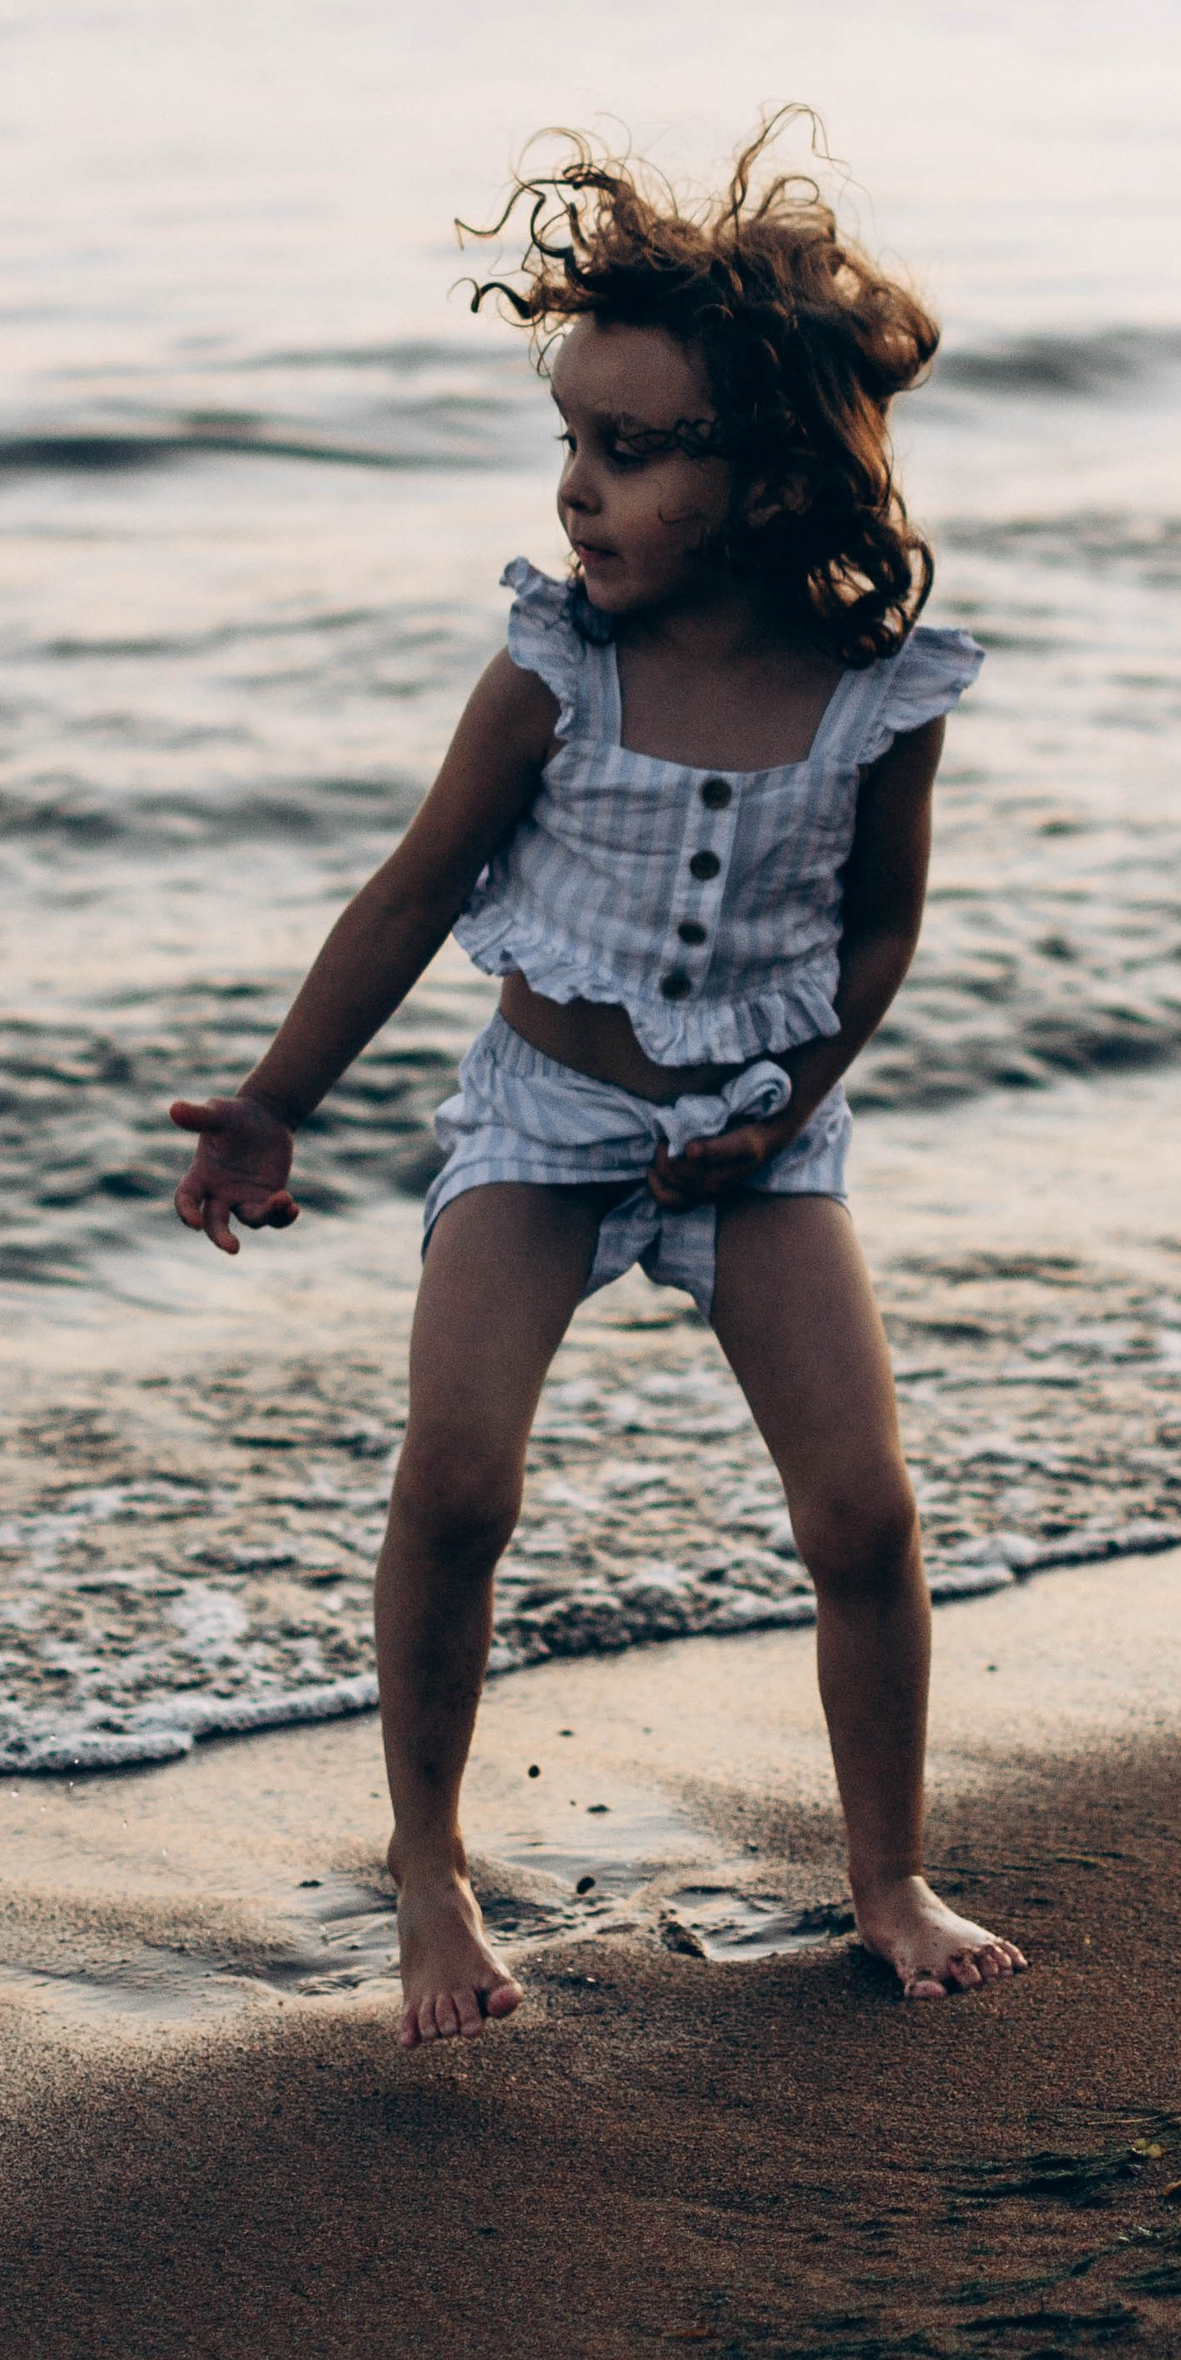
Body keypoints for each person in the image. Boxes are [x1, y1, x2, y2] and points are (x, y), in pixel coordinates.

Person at [167, 126, 1025, 2045]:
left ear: (772, 469)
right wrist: (276, 1099)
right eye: (571, 440)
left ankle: (886, 1875)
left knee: (865, 1515)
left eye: (631, 450)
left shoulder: (878, 690)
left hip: (764, 1142)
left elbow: (877, 933)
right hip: (543, 1124)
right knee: (460, 1485)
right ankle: (433, 1864)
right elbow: (415, 888)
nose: (578, 487)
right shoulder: (555, 667)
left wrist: (794, 1086)